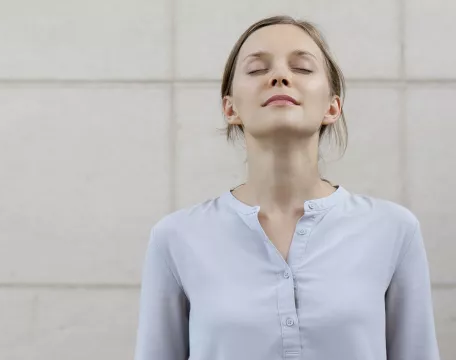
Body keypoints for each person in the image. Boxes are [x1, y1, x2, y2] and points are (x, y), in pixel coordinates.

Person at [134, 15, 440, 360]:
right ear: (230, 107)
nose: (280, 77)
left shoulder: (394, 229)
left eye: (303, 68)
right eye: (256, 70)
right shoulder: (176, 237)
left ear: (332, 106)